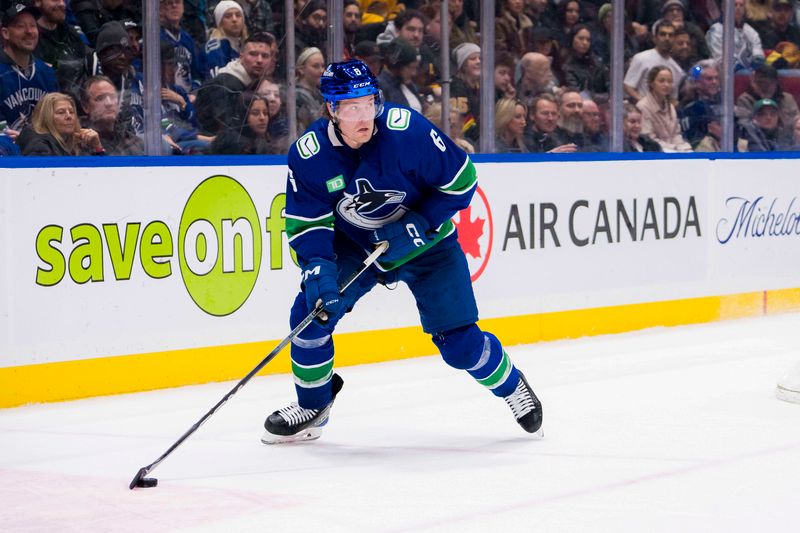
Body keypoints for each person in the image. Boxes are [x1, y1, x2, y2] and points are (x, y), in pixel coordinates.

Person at [261, 59, 543, 444]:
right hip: (358, 248)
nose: (365, 116)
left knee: (460, 344)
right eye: (352, 107)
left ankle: (512, 386)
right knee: (310, 316)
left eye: (370, 103)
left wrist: (417, 223)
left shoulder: (407, 131)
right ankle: (314, 404)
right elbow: (307, 222)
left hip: (429, 247)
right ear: (331, 109)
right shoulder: (309, 154)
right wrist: (318, 266)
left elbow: (462, 181)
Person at [195, 33, 272, 135]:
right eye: (253, 54)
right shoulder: (223, 85)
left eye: (265, 56)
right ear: (241, 57)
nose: (259, 60)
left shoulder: (254, 84)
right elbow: (225, 129)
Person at [0, 3, 59, 132]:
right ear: (5, 33)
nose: (29, 31)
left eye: (33, 25)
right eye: (20, 26)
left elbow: (57, 123)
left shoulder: (47, 73)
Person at [16, 92, 103, 155]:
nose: (69, 116)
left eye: (72, 112)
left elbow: (102, 175)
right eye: (61, 112)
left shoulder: (78, 141)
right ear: (46, 118)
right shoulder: (36, 141)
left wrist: (97, 147)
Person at [80, 75, 144, 155]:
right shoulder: (78, 142)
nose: (109, 103)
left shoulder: (134, 142)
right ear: (85, 106)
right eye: (100, 98)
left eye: (112, 97)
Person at [623, 20, 683, 102]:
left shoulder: (677, 69)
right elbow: (628, 86)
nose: (667, 38)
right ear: (655, 38)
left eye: (671, 35)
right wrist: (645, 105)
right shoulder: (641, 58)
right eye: (663, 34)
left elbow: (673, 98)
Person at [636, 66, 692, 152]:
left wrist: (682, 147)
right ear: (651, 83)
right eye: (661, 81)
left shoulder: (671, 107)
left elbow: (676, 134)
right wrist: (674, 148)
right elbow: (648, 140)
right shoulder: (643, 106)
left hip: (674, 149)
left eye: (669, 81)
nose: (666, 85)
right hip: (654, 152)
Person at [735, 63, 799, 133]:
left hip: (785, 140)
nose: (766, 87)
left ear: (776, 83)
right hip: (755, 140)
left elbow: (797, 121)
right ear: (754, 83)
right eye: (761, 83)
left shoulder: (787, 99)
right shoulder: (745, 100)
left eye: (770, 83)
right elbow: (744, 129)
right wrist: (761, 98)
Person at [209, 93, 277, 154]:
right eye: (255, 113)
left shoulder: (263, 140)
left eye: (265, 113)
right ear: (243, 115)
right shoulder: (236, 144)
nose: (262, 118)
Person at [706, 0, 764, 70]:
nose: (738, 8)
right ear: (724, 8)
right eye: (734, 5)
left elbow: (758, 55)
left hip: (747, 70)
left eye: (741, 5)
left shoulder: (750, 31)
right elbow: (719, 59)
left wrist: (756, 61)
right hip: (720, 72)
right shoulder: (716, 29)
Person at [377, 38, 422, 112]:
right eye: (410, 68)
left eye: (415, 68)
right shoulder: (380, 87)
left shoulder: (410, 85)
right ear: (397, 66)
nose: (414, 73)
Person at [204, 0, 247, 78]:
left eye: (238, 15)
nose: (234, 19)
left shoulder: (247, 44)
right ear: (220, 22)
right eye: (228, 16)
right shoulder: (215, 46)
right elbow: (219, 80)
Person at [295, 46, 326, 133]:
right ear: (301, 70)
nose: (321, 70)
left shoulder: (320, 94)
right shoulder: (297, 96)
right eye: (316, 66)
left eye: (323, 66)